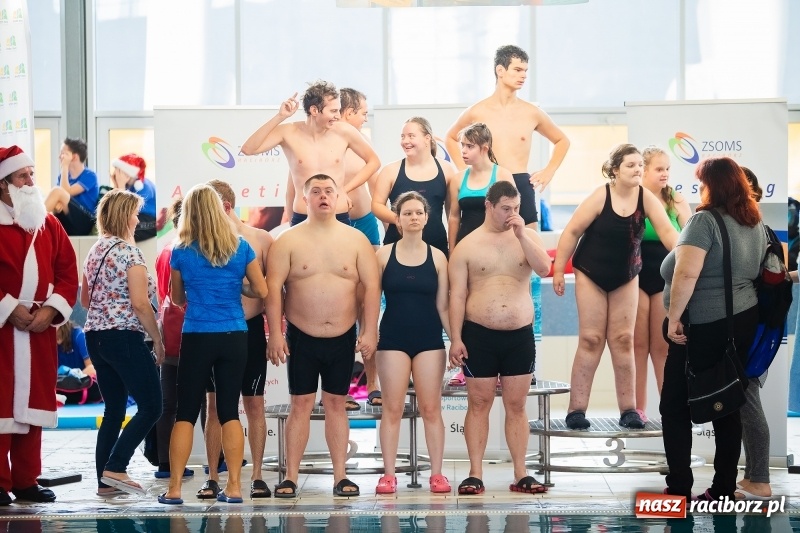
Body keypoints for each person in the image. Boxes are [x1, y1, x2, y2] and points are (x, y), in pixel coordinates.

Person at [266, 174, 380, 498]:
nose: (322, 196)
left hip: (343, 336)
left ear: (340, 198)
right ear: (305, 200)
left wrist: (370, 330)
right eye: (315, 192)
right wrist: (275, 333)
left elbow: (372, 288)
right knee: (299, 404)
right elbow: (273, 290)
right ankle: (290, 477)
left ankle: (340, 476)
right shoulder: (287, 241)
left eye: (329, 191)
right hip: (301, 336)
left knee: (336, 404)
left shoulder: (356, 241)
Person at [660, 157, 766, 501]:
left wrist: (673, 317)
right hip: (743, 322)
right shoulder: (753, 222)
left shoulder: (703, 221)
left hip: (702, 324)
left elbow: (686, 273)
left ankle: (678, 488)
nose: (699, 189)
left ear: (713, 185)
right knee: (728, 402)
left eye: (702, 182)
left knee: (674, 406)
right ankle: (723, 488)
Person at [553, 144, 679, 430]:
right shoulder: (601, 195)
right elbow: (572, 230)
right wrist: (559, 269)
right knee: (591, 339)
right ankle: (576, 409)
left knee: (623, 339)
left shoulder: (645, 197)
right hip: (590, 272)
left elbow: (668, 232)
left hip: (627, 274)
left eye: (640, 166)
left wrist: (686, 259)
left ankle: (629, 409)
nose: (638, 170)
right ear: (614, 170)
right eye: (631, 165)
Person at [159, 184, 267, 505]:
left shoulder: (181, 251)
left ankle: (175, 489)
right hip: (234, 335)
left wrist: (199, 291)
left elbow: (177, 298)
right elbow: (259, 290)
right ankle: (233, 487)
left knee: (187, 413)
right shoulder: (241, 246)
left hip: (197, 337)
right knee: (229, 411)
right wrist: (235, 289)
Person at [448, 181, 551, 495]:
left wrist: (522, 234)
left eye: (516, 208)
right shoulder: (467, 245)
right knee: (478, 403)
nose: (512, 214)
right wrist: (455, 338)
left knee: (517, 405)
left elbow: (545, 268)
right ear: (488, 206)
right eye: (506, 208)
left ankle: (521, 473)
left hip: (519, 335)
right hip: (478, 335)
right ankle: (475, 473)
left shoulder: (526, 237)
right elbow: (457, 296)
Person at [285, 87, 382, 409]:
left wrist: (344, 189)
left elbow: (373, 169)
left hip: (361, 221)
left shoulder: (350, 138)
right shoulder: (323, 139)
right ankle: (343, 384)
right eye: (360, 111)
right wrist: (291, 218)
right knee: (326, 292)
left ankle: (371, 381)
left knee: (363, 293)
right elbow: (296, 184)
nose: (360, 117)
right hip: (319, 224)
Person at [0, 145, 78, 505]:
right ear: (4, 184)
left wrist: (51, 312)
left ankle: (26, 479)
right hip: (3, 331)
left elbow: (67, 273)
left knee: (32, 407)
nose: (31, 181)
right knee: (1, 407)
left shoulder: (48, 224)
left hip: (38, 332)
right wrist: (8, 308)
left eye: (32, 174)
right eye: (22, 176)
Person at [81, 188, 164, 497]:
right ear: (124, 216)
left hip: (95, 336)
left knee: (114, 409)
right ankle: (117, 466)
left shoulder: (95, 251)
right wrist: (157, 338)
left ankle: (105, 482)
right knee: (152, 406)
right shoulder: (129, 253)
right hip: (123, 336)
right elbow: (141, 304)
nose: (137, 218)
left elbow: (85, 299)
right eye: (134, 213)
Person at [374, 192, 451, 495]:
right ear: (398, 218)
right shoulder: (383, 255)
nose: (414, 217)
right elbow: (369, 301)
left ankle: (437, 474)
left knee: (431, 408)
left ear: (427, 217)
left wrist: (455, 339)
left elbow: (443, 306)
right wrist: (366, 333)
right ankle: (389, 475)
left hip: (429, 339)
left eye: (419, 212)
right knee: (392, 408)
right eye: (407, 213)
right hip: (392, 338)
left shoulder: (438, 257)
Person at [201, 179, 273, 500]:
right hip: (215, 330)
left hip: (252, 329)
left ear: (226, 208)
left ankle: (256, 476)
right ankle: (214, 477)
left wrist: (275, 335)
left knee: (254, 404)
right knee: (215, 407)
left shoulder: (261, 239)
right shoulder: (203, 241)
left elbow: (272, 292)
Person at [445, 45, 569, 228]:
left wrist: (549, 170)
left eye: (525, 71)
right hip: (487, 180)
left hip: (520, 181)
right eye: (518, 70)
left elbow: (562, 140)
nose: (524, 75)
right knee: (485, 241)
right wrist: (465, 169)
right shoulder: (477, 111)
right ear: (500, 70)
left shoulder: (532, 112)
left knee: (528, 242)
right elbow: (450, 137)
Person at [241, 81, 380, 226]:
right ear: (314, 110)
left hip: (338, 215)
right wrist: (280, 117)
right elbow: (248, 149)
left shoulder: (344, 132)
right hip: (303, 216)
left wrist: (344, 190)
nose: (338, 116)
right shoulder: (289, 132)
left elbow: (374, 162)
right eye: (333, 111)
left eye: (338, 110)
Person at [633, 147, 691, 422]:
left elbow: (692, 242)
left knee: (662, 346)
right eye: (659, 169)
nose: (665, 173)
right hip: (635, 277)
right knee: (637, 346)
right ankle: (636, 410)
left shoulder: (675, 201)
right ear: (643, 171)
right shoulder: (631, 200)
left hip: (664, 278)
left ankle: (670, 409)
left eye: (667, 168)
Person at [732, 166, 772, 500]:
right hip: (754, 326)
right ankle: (752, 475)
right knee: (743, 400)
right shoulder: (755, 230)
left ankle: (759, 478)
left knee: (747, 399)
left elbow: (775, 280)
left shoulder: (760, 231)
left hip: (753, 328)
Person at [372, 117, 457, 257]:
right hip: (397, 243)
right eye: (402, 137)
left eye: (411, 136)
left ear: (427, 138)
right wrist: (398, 219)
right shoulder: (390, 170)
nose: (405, 141)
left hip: (435, 244)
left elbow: (452, 213)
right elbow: (376, 205)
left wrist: (452, 247)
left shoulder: (447, 170)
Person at [152, 197, 193, 480]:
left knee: (169, 403)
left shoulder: (165, 251)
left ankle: (165, 463)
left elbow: (161, 297)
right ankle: (219, 461)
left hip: (171, 331)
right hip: (195, 328)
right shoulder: (188, 251)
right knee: (208, 402)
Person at [447, 122, 516, 253]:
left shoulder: (503, 175)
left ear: (485, 149)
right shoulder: (458, 179)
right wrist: (452, 251)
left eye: (470, 146)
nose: (463, 150)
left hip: (495, 245)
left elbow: (513, 216)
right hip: (465, 244)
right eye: (462, 145)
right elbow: (454, 218)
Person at [44, 138, 99, 236]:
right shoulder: (63, 177)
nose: (59, 156)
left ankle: (33, 225)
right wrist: (58, 202)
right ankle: (38, 226)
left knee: (57, 191)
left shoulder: (90, 175)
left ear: (74, 157)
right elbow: (58, 200)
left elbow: (65, 191)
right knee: (57, 195)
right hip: (68, 220)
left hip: (84, 222)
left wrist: (64, 166)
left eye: (63, 153)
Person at [111, 153, 157, 241]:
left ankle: (133, 253)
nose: (115, 174)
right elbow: (116, 209)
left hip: (149, 221)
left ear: (126, 172)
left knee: (123, 228)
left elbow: (127, 210)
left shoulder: (144, 186)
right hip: (136, 217)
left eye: (118, 171)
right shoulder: (128, 186)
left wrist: (120, 185)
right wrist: (117, 186)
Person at [55, 321, 102, 405]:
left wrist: (72, 377)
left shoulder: (79, 335)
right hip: (63, 395)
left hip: (86, 390)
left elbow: (93, 368)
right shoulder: (45, 343)